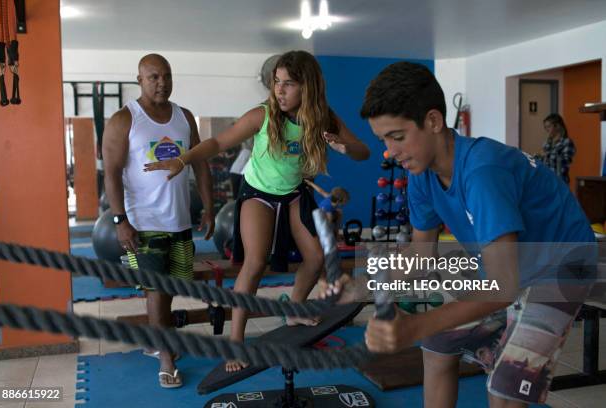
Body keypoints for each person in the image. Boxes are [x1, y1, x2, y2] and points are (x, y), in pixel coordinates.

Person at [321, 62, 595, 407]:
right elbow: (421, 258)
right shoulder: (420, 174)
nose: (389, 151)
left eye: (398, 136)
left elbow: (503, 287)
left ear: (434, 122)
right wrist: (359, 286)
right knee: (437, 343)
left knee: (506, 382)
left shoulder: (483, 172)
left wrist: (413, 327)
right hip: (508, 265)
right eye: (383, 140)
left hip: (561, 263)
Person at [144, 50, 370, 372]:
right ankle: (235, 343)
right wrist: (183, 159)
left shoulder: (324, 119)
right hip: (258, 194)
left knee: (316, 257)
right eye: (277, 82)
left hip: (294, 193)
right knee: (255, 262)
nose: (279, 90)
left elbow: (364, 151)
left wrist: (344, 147)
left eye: (288, 84)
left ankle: (294, 308)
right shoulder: (262, 115)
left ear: (308, 87)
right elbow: (218, 143)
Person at [102, 54, 215, 388]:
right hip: (143, 220)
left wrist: (209, 206)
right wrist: (120, 220)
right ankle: (166, 359)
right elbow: (110, 172)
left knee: (169, 289)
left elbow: (201, 164)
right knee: (157, 288)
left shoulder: (184, 117)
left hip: (179, 219)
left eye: (166, 76)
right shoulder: (125, 118)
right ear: (139, 79)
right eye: (153, 77)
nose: (161, 82)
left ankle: (155, 341)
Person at [537, 113, 576, 185]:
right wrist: (538, 157)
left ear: (557, 126)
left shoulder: (567, 142)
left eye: (548, 127)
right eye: (545, 127)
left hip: (560, 183)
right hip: (546, 182)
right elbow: (541, 163)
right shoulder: (546, 143)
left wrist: (546, 154)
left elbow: (564, 163)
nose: (547, 130)